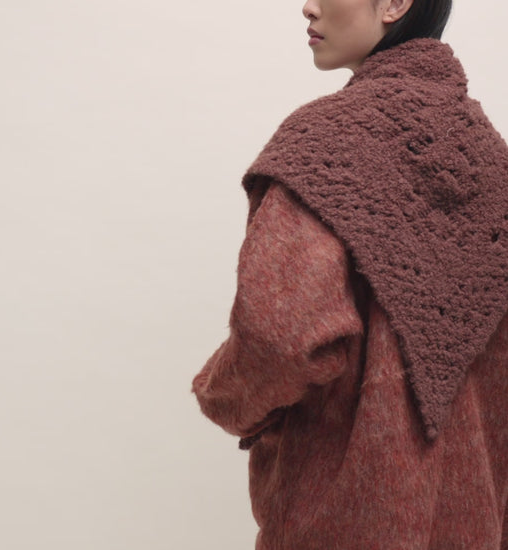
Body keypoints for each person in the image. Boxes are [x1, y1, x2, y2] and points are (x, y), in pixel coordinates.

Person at [191, 0, 508, 548]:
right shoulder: (495, 161)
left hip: (343, 523)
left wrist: (221, 395)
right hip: (476, 524)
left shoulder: (324, 148)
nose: (307, 6)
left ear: (396, 3)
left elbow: (280, 335)